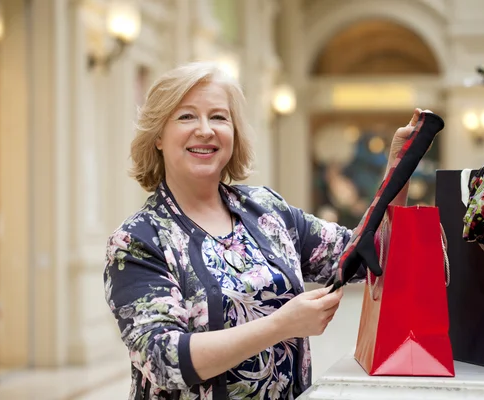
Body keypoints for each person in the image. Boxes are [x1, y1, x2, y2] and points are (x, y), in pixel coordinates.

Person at [104, 61, 424, 400]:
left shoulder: (267, 211)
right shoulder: (137, 241)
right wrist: (282, 325)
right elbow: (162, 359)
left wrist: (397, 170)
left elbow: (361, 253)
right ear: (157, 136)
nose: (205, 130)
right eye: (186, 117)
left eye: (218, 117)